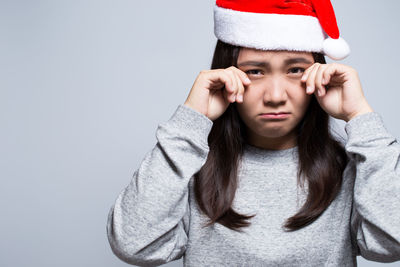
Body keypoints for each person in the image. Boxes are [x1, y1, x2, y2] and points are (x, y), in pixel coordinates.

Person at [106, 0, 400, 266]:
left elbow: (393, 243)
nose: (275, 95)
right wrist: (190, 121)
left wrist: (360, 115)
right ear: (226, 75)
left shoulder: (353, 169)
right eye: (255, 72)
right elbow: (134, 244)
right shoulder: (189, 167)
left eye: (296, 70)